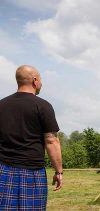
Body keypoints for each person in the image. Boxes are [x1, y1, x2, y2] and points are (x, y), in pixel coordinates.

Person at [0, 65, 63, 210]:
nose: (41, 83)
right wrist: (59, 171)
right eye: (40, 79)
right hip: (32, 172)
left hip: (2, 170)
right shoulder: (43, 106)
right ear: (35, 80)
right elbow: (51, 140)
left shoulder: (1, 105)